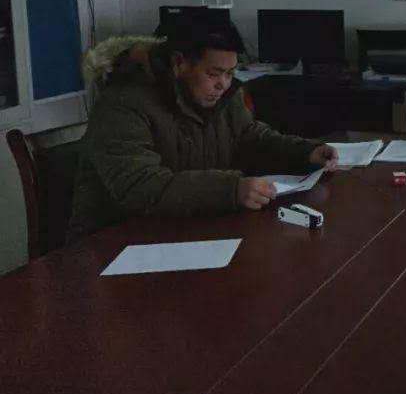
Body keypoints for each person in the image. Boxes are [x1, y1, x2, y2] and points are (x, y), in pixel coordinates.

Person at [68, 15, 338, 239]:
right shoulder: (122, 104)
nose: (223, 84)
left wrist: (305, 152)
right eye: (213, 73)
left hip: (186, 230)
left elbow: (249, 138)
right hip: (113, 244)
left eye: (230, 73)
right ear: (179, 63)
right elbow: (141, 187)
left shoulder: (220, 95)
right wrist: (230, 190)